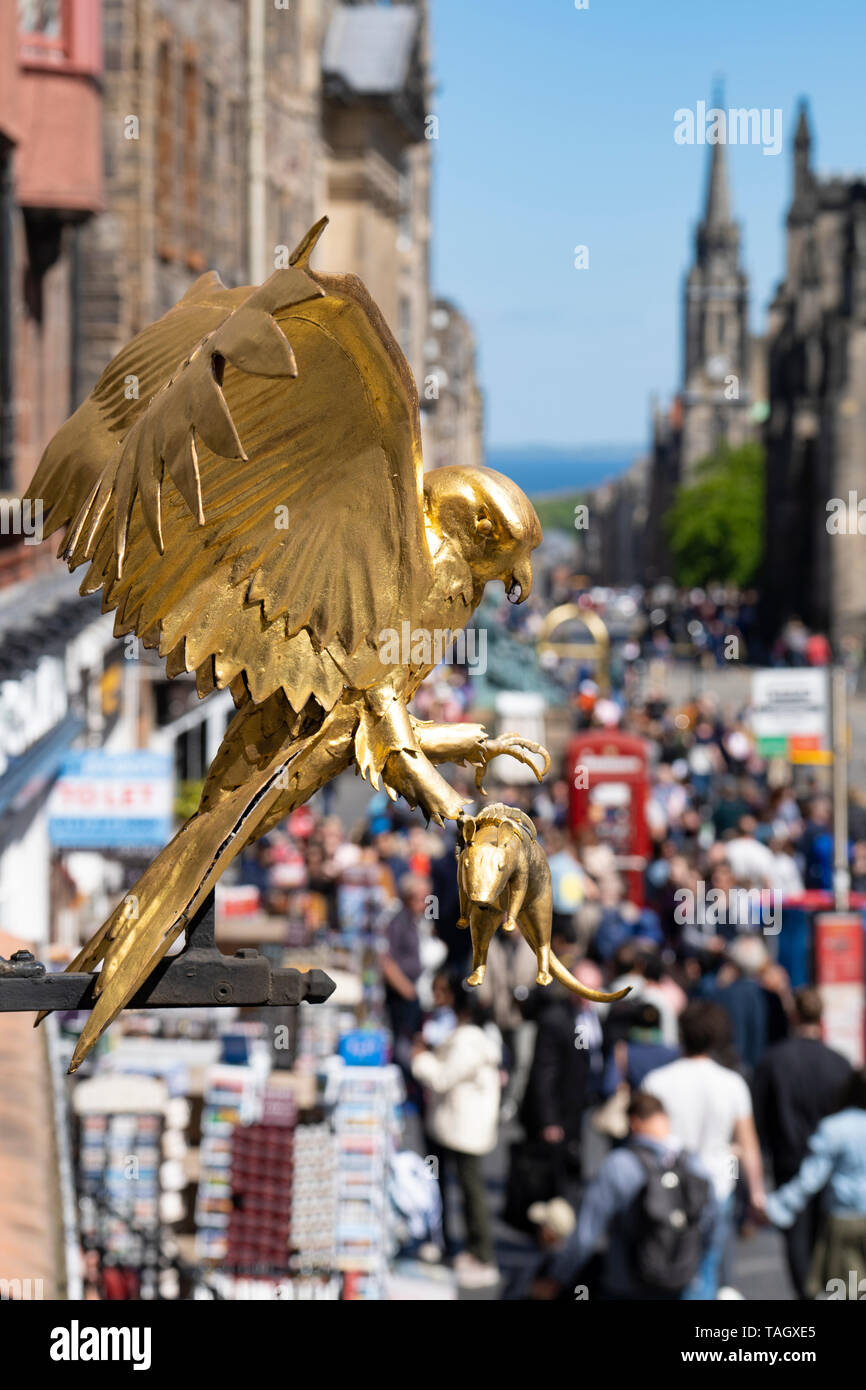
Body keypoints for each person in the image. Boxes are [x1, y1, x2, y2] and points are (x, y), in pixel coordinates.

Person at [642, 1000, 766, 1299]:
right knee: (706, 1266)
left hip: (668, 1186)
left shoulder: (657, 1082)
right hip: (717, 1184)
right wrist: (757, 1193)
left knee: (664, 1261)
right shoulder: (732, 1083)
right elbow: (748, 1144)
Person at [539, 1093, 716, 1300]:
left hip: (626, 1282)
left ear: (633, 1122)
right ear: (665, 1118)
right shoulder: (694, 1164)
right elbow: (709, 1223)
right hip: (678, 1279)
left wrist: (556, 1277)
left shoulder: (620, 1165)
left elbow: (586, 1234)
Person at [752, 988, 852, 1298]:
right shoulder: (839, 1063)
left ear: (794, 1015)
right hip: (832, 1167)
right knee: (829, 1237)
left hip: (789, 1161)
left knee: (796, 1241)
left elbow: (757, 1118)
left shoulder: (773, 1060)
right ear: (821, 1018)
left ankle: (805, 1294)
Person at [411, 970, 502, 1289]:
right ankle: (473, 1251)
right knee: (466, 1191)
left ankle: (484, 1255)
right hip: (464, 1126)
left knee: (471, 1193)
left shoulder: (468, 1042)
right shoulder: (474, 1038)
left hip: (465, 1130)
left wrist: (420, 1059)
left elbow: (441, 1078)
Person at [767, 1069, 866, 1298]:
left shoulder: (835, 1127)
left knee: (847, 1291)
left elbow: (810, 1178)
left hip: (844, 1220)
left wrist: (778, 1205)